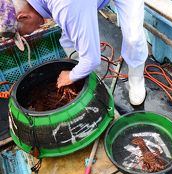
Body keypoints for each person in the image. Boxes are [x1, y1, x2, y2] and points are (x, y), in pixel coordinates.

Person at [0, 0, 148, 105]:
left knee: (133, 38)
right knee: (68, 35)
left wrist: (71, 76)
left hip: (73, 4)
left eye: (21, 32)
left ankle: (136, 79)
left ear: (23, 16)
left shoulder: (66, 6)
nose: (26, 34)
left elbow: (92, 59)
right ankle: (80, 69)